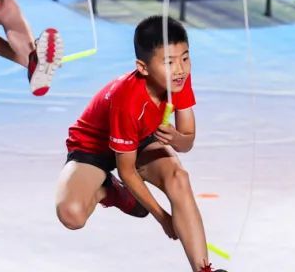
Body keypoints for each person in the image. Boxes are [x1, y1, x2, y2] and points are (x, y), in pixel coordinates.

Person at [56, 16, 226, 272]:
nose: (180, 69)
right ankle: (110, 191)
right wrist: (163, 217)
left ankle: (204, 269)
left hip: (140, 141)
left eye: (185, 58)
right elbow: (127, 171)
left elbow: (187, 142)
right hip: (93, 148)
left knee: (178, 177)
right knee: (72, 215)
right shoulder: (127, 101)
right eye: (169, 62)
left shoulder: (178, 80)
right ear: (143, 67)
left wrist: (176, 138)